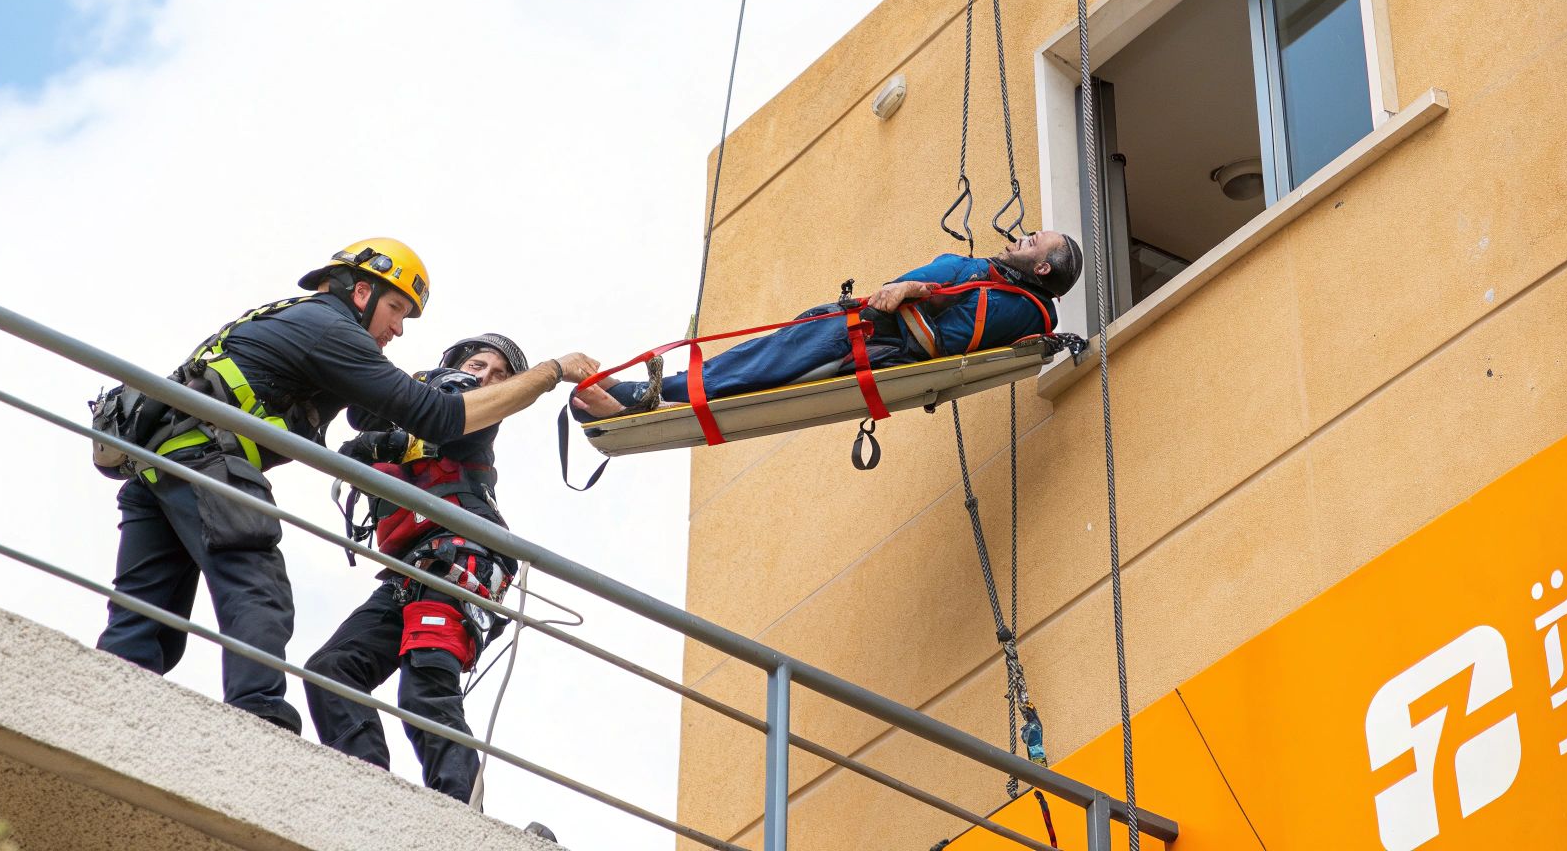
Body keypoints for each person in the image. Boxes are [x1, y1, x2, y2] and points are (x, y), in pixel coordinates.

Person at [95, 241, 596, 733]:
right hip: (206, 461)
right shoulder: (330, 330)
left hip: (158, 465)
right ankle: (257, 721)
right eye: (396, 309)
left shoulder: (295, 318)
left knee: (147, 612)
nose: (397, 329)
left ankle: (109, 710)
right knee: (256, 586)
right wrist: (552, 372)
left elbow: (365, 413)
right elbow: (440, 416)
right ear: (361, 293)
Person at [303, 333, 530, 803]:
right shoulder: (409, 435)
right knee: (332, 668)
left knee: (425, 691)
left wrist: (398, 410)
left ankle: (460, 816)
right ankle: (368, 790)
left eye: (500, 377)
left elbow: (449, 411)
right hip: (409, 571)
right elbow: (353, 443)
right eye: (479, 365)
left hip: (463, 560)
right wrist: (380, 441)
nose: (486, 377)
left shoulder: (473, 420)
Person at [575, 230, 1083, 417]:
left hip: (866, 339)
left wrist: (909, 293)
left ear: (1042, 269)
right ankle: (648, 391)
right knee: (750, 359)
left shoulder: (1016, 306)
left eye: (1035, 242)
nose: (1024, 236)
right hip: (854, 325)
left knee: (757, 368)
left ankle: (634, 398)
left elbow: (935, 345)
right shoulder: (994, 278)